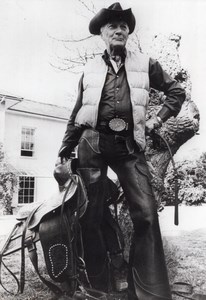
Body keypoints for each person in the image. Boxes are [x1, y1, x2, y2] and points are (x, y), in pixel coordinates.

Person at [57, 2, 186, 299]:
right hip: (92, 143)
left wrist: (157, 119)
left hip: (129, 145)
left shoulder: (146, 63)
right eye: (112, 26)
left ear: (128, 33)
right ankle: (99, 287)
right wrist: (64, 150)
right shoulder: (89, 68)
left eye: (123, 27)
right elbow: (78, 111)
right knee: (90, 216)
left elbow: (176, 93)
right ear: (102, 33)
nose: (119, 30)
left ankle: (147, 292)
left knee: (147, 215)